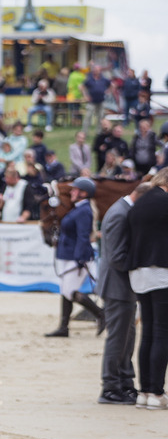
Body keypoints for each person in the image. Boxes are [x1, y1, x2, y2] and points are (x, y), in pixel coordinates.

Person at [97, 182, 153, 404]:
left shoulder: (123, 210)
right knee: (118, 339)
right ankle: (110, 386)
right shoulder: (120, 214)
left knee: (127, 338)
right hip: (117, 287)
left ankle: (124, 382)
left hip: (122, 287)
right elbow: (117, 257)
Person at [123, 169, 168, 409]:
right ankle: (157, 392)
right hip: (161, 270)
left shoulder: (139, 203)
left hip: (138, 272)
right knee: (162, 333)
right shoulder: (165, 202)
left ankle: (144, 392)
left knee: (148, 332)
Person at [45, 177, 105, 337]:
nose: (72, 192)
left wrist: (80, 257)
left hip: (77, 256)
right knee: (65, 290)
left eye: (75, 189)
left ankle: (101, 314)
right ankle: (63, 327)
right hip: (69, 254)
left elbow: (83, 236)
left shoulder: (84, 210)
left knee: (70, 291)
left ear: (84, 193)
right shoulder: (78, 208)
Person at [82, 66, 110, 133]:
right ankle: (84, 132)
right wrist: (86, 96)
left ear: (100, 71)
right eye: (95, 70)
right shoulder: (90, 79)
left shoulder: (104, 79)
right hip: (92, 101)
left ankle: (99, 132)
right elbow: (82, 86)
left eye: (97, 70)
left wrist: (108, 91)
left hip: (101, 101)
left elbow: (112, 85)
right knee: (88, 116)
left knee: (100, 117)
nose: (96, 71)